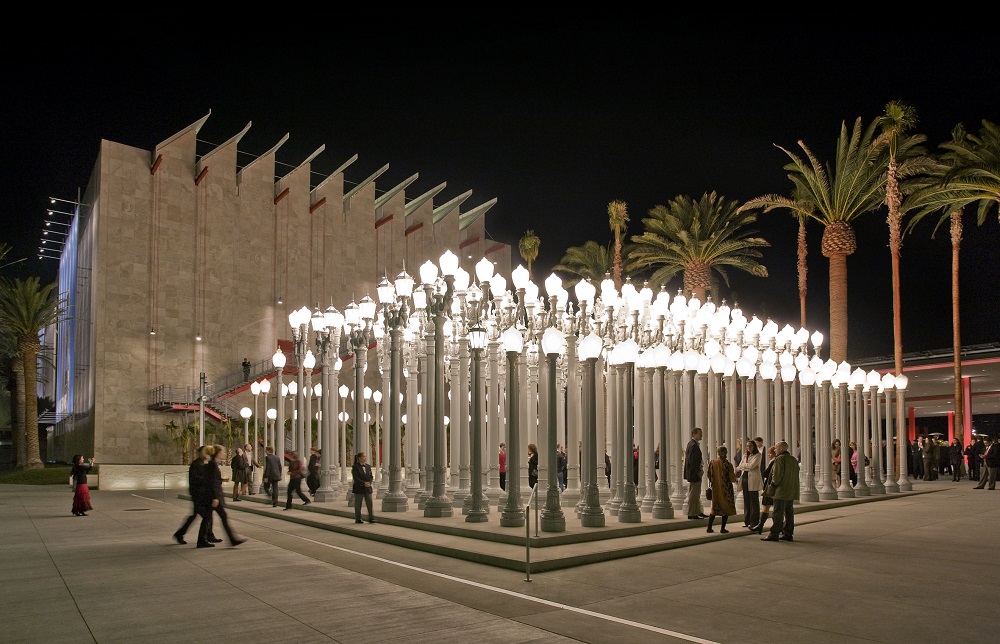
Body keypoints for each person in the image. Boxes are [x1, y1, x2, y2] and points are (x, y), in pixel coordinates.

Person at [198, 445, 246, 548]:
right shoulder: (212, 465)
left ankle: (202, 540)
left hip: (212, 496)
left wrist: (222, 480)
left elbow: (213, 480)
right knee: (217, 517)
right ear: (218, 453)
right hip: (213, 497)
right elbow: (211, 482)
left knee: (208, 518)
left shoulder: (213, 464)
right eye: (223, 452)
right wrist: (215, 497)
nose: (224, 453)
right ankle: (232, 539)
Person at [174, 446, 217, 544]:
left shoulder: (203, 464)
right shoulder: (196, 464)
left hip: (201, 494)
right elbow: (196, 479)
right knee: (206, 516)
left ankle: (180, 534)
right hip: (198, 495)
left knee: (196, 516)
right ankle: (205, 537)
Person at [761, 441, 799, 542]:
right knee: (789, 513)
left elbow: (776, 475)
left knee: (778, 513)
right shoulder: (793, 459)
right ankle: (788, 533)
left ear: (781, 448)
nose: (775, 450)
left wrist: (772, 485)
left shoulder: (780, 459)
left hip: (781, 491)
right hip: (791, 490)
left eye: (776, 448)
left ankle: (774, 534)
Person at [706, 445, 738, 534]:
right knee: (726, 508)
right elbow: (732, 478)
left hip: (716, 489)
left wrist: (713, 482)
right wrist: (736, 480)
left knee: (714, 508)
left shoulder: (712, 462)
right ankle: (722, 528)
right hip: (726, 489)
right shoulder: (727, 464)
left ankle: (709, 527)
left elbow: (708, 474)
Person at [735, 439, 762, 529]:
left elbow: (752, 465)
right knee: (746, 501)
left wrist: (743, 466)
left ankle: (754, 522)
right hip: (745, 479)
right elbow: (739, 465)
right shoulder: (745, 455)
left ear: (754, 446)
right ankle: (747, 521)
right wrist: (744, 466)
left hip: (753, 479)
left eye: (750, 446)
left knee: (753, 501)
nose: (748, 448)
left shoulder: (758, 455)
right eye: (747, 446)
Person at [751, 445, 777, 534]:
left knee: (767, 506)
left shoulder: (774, 461)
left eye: (770, 453)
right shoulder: (774, 461)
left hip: (770, 486)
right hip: (771, 486)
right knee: (767, 507)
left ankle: (762, 525)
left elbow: (766, 473)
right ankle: (761, 525)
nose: (769, 455)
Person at [684, 427, 707, 520]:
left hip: (695, 472)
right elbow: (692, 461)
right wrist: (697, 472)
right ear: (694, 434)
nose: (701, 435)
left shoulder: (692, 444)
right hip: (695, 473)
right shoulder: (693, 445)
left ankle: (697, 511)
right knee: (694, 494)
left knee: (696, 493)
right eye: (700, 433)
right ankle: (692, 513)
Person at [352, 451, 375, 523]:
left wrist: (369, 482)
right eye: (363, 456)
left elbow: (371, 476)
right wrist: (363, 483)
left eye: (365, 456)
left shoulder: (368, 466)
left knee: (370, 503)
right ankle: (358, 518)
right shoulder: (355, 467)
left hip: (368, 487)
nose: (365, 458)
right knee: (358, 504)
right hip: (359, 487)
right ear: (359, 458)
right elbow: (356, 478)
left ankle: (371, 518)